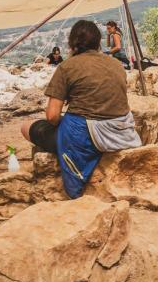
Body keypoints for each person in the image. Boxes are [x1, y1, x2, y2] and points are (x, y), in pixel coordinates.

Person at [21, 20, 141, 198]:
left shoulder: (67, 67)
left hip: (87, 137)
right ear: (98, 41)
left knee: (27, 127)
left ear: (72, 42)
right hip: (121, 134)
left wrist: (67, 122)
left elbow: (52, 116)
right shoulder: (116, 65)